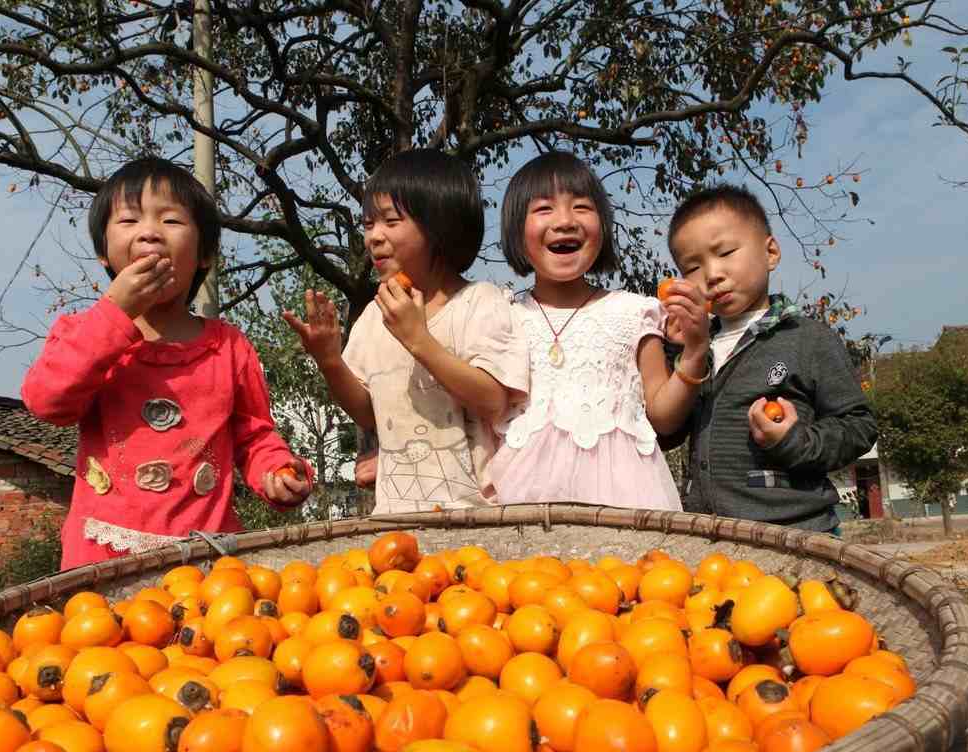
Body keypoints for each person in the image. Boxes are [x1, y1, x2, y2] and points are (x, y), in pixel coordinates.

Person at [22, 158, 312, 569]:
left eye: (171, 220)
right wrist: (114, 314)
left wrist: (276, 470)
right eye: (129, 220)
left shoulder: (228, 348)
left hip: (207, 560)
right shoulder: (83, 333)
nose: (150, 232)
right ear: (104, 253)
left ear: (205, 254)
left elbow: (253, 435)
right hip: (102, 562)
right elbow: (47, 401)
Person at [285, 149, 527, 513]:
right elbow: (368, 413)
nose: (374, 238)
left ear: (440, 225)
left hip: (475, 518)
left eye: (391, 221)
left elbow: (493, 399)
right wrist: (329, 360)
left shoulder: (480, 302)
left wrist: (418, 340)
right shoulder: (373, 316)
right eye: (368, 225)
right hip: (394, 516)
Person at [659, 184, 878, 533]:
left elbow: (859, 425)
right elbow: (668, 433)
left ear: (771, 252)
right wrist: (678, 352)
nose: (712, 274)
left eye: (726, 252)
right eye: (692, 267)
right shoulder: (697, 346)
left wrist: (793, 440)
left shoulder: (807, 339)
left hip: (797, 530)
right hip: (710, 534)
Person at [485, 152, 688, 509]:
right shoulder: (501, 315)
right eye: (544, 209)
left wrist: (696, 353)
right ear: (516, 230)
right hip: (521, 497)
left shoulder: (634, 313)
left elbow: (664, 415)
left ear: (604, 226)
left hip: (626, 500)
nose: (565, 221)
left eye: (581, 207)